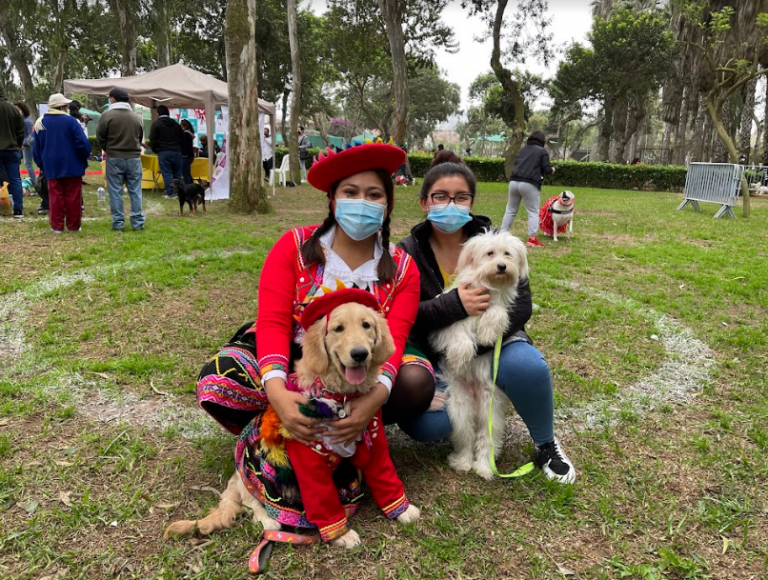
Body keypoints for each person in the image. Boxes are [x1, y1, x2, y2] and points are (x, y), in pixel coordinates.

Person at [196, 143, 437, 520]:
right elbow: (274, 321)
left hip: (366, 362)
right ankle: (282, 433)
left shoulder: (403, 268)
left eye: (374, 194)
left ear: (388, 205)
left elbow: (397, 336)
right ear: (332, 199)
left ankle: (351, 432)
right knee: (222, 377)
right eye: (350, 192)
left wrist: (372, 402)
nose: (362, 202)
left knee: (416, 381)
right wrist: (277, 393)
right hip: (297, 356)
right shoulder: (293, 247)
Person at [397, 151, 576, 484]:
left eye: (461, 197)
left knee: (526, 367)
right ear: (424, 202)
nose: (451, 204)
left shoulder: (496, 241)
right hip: (442, 354)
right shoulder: (407, 252)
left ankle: (545, 443)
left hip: (495, 344)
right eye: (440, 197)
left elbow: (521, 306)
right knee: (431, 425)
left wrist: (484, 336)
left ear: (471, 201)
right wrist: (456, 306)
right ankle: (465, 448)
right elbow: (407, 317)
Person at [32, 93, 91, 233]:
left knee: (55, 196)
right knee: (73, 196)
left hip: (51, 166)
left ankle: (57, 226)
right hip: (73, 165)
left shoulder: (40, 122)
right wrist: (82, 159)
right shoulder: (71, 121)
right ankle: (73, 226)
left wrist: (42, 164)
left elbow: (36, 148)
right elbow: (83, 144)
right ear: (64, 106)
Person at [96, 87, 145, 232]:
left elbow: (100, 137)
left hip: (115, 157)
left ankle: (118, 224)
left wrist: (109, 148)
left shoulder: (106, 116)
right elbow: (139, 136)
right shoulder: (136, 117)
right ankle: (138, 223)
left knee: (115, 191)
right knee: (135, 191)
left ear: (113, 99)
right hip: (134, 158)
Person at [500, 131, 556, 247]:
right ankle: (532, 238)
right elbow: (547, 169)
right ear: (542, 141)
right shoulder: (542, 151)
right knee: (533, 212)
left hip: (514, 182)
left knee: (510, 209)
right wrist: (553, 169)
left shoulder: (522, 150)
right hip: (529, 183)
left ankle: (502, 235)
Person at [0, 85, 25, 218]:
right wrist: (18, 144)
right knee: (15, 179)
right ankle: (18, 210)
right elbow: (21, 131)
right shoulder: (13, 109)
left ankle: (2, 207)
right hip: (12, 149)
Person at [149, 104, 184, 198]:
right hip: (177, 151)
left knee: (167, 173)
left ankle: (171, 193)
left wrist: (155, 150)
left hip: (164, 152)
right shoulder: (176, 124)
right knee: (177, 173)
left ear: (158, 113)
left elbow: (152, 139)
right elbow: (182, 138)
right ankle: (178, 192)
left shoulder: (156, 124)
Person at [14, 101, 36, 194]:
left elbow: (30, 135)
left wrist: (22, 143)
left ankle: (35, 185)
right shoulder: (19, 121)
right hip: (19, 146)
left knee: (28, 164)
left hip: (27, 146)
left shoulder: (27, 121)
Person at [179, 119, 195, 184]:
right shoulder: (189, 134)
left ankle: (188, 186)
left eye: (181, 126)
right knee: (187, 172)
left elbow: (184, 146)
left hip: (186, 156)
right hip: (189, 156)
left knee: (185, 173)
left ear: (184, 126)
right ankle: (191, 185)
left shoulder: (185, 134)